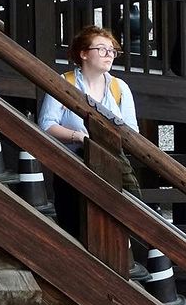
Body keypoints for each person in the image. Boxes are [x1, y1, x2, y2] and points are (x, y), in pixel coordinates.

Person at [38, 25, 141, 238]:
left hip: (111, 162)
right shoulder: (64, 82)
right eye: (102, 49)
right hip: (73, 161)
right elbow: (46, 125)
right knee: (73, 222)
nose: (109, 55)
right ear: (84, 53)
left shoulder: (119, 88)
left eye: (112, 50)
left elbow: (132, 131)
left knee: (115, 222)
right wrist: (79, 137)